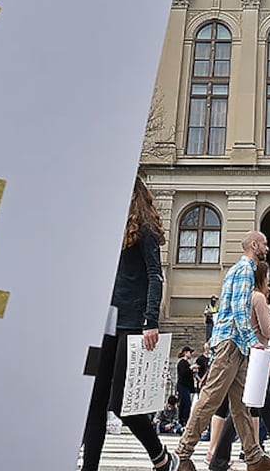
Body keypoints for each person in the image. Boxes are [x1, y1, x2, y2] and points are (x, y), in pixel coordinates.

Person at [79, 178, 179, 471]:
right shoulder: (109, 227)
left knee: (123, 403)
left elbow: (154, 276)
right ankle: (89, 468)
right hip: (104, 324)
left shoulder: (144, 229)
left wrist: (151, 320)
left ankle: (160, 454)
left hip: (132, 323)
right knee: (94, 402)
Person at [174, 232, 270, 471]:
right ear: (254, 245)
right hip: (232, 344)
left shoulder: (235, 270)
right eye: (264, 243)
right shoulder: (246, 269)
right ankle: (182, 454)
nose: (267, 247)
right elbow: (239, 309)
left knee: (241, 405)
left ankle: (254, 457)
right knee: (211, 398)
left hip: (233, 344)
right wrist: (252, 339)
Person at [205, 263, 270, 471]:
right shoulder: (258, 298)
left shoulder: (244, 298)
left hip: (249, 357)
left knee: (260, 407)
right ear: (261, 279)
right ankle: (220, 459)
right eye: (268, 281)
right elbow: (267, 330)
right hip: (255, 358)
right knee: (248, 409)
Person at [176, 346, 197, 427]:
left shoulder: (186, 363)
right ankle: (183, 420)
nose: (191, 354)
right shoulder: (182, 362)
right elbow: (183, 373)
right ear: (185, 353)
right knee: (185, 403)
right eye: (189, 352)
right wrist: (191, 368)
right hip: (182, 386)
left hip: (186, 387)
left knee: (186, 403)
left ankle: (184, 419)